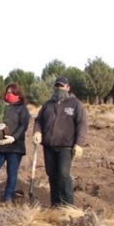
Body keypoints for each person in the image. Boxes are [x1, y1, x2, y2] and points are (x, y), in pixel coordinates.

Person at [33, 76, 87, 207]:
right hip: (49, 146)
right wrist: (37, 131)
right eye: (57, 86)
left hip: (66, 147)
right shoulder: (48, 104)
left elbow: (82, 124)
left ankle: (68, 205)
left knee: (63, 174)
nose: (59, 88)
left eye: (61, 86)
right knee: (52, 174)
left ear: (68, 88)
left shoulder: (75, 104)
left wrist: (79, 144)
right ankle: (55, 203)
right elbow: (38, 120)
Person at [0, 83, 31, 205]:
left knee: (12, 172)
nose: (9, 95)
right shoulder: (0, 107)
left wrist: (13, 138)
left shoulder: (22, 109)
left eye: (13, 93)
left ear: (18, 95)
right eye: (8, 92)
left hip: (15, 147)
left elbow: (23, 126)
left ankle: (8, 197)